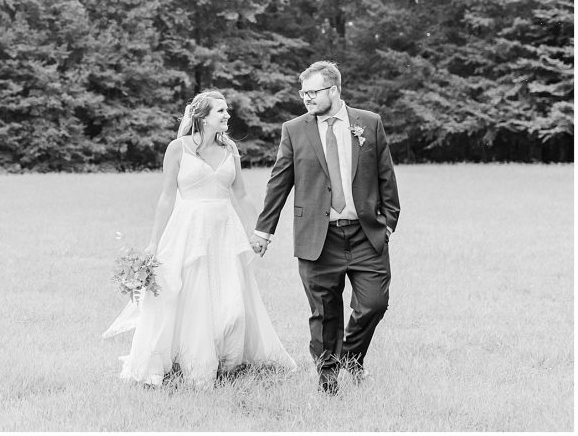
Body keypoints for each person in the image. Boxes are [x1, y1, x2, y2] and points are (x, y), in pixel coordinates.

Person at [103, 90, 296, 386]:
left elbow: (241, 194)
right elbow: (167, 198)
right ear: (202, 117)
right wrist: (154, 242)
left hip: (225, 231)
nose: (227, 115)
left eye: (226, 110)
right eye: (220, 111)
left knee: (232, 306)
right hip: (188, 230)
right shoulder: (177, 149)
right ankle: (191, 362)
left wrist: (259, 231)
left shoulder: (230, 148)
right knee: (192, 300)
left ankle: (229, 359)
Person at [250, 61, 401, 395]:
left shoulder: (369, 123)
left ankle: (351, 356)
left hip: (366, 234)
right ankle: (328, 380)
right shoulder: (295, 129)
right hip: (318, 236)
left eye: (313, 92)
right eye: (303, 93)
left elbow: (385, 175)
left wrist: (388, 222)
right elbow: (279, 181)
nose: (306, 99)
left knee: (374, 303)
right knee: (324, 312)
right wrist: (264, 230)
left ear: (334, 90)